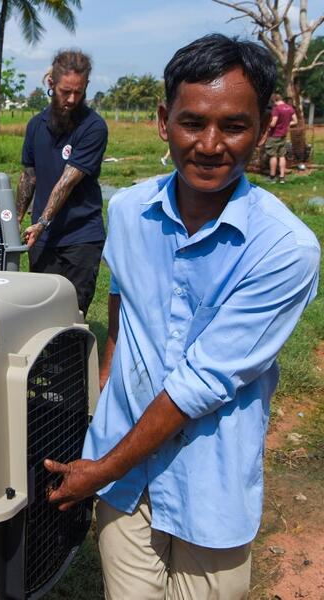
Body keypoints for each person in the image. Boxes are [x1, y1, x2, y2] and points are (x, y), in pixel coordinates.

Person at [44, 35, 319, 599]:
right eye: (192, 122)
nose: (211, 145)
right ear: (163, 121)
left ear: (265, 128)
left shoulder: (284, 249)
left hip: (207, 485)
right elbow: (121, 294)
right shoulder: (127, 211)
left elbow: (203, 383)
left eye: (235, 126)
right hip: (124, 479)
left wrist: (102, 467)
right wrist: (109, 377)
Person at [16, 49, 108, 317]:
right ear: (51, 84)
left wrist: (43, 222)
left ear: (86, 87)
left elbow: (66, 183)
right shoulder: (35, 125)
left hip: (80, 236)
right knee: (41, 313)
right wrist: (15, 219)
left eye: (78, 92)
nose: (71, 99)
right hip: (42, 239)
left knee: (72, 315)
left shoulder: (93, 127)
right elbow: (29, 175)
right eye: (65, 91)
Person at [265, 93, 298, 183]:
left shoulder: (276, 109)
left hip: (274, 135)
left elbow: (273, 123)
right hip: (283, 135)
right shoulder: (289, 108)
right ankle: (282, 177)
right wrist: (287, 124)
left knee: (273, 156)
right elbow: (295, 121)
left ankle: (272, 177)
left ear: (274, 100)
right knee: (282, 155)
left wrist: (266, 124)